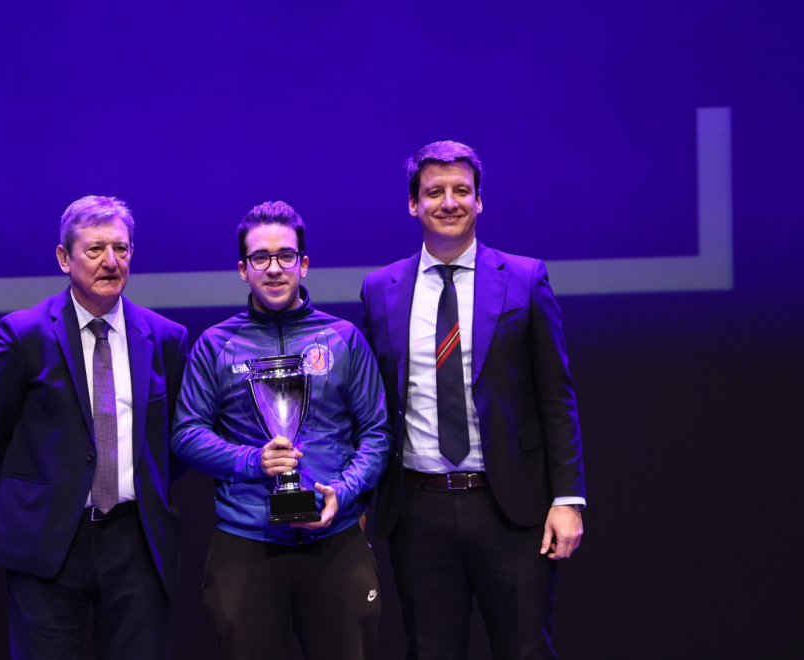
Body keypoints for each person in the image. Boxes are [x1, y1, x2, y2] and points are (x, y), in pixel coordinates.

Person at [360, 141, 586, 660]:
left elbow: (557, 397)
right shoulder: (380, 289)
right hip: (417, 510)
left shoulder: (526, 278)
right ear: (412, 204)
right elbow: (371, 407)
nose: (449, 202)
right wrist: (359, 498)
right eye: (433, 191)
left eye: (462, 191)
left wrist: (568, 499)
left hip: (511, 507)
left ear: (480, 201)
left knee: (525, 649)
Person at [0, 195, 188, 659]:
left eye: (121, 249)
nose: (111, 261)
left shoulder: (165, 337)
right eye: (95, 250)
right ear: (64, 258)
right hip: (49, 542)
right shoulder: (24, 333)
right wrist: (46, 491)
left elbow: (174, 442)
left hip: (136, 542)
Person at [171, 201, 390, 660]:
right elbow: (187, 433)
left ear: (304, 264)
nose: (274, 268)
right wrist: (253, 461)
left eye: (286, 256)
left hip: (336, 538)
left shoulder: (344, 338)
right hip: (246, 542)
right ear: (242, 270)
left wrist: (343, 492)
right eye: (260, 258)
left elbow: (375, 434)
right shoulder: (215, 345)